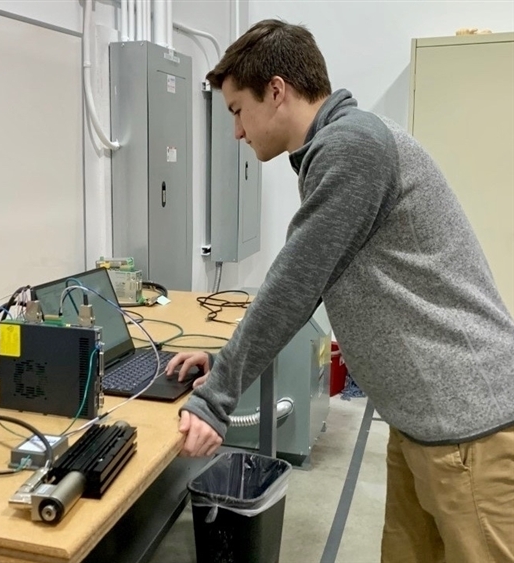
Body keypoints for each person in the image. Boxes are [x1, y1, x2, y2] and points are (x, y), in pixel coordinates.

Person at [165, 18, 514, 563]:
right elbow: (304, 282)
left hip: (466, 427)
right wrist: (222, 360)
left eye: (237, 110)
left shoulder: (353, 146)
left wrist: (216, 399)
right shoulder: (339, 148)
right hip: (420, 423)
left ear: (276, 91)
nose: (236, 131)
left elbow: (294, 285)